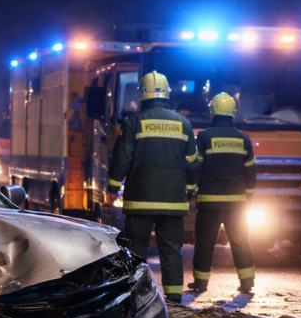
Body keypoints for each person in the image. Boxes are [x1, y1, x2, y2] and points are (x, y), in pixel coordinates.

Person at [108, 71, 199, 304]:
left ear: (141, 95)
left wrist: (113, 187)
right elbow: (193, 163)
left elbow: (122, 157)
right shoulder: (184, 123)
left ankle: (138, 296)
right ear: (167, 94)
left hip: (140, 201)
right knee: (171, 250)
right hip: (173, 202)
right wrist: (188, 190)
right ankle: (174, 298)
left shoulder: (133, 122)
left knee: (136, 250)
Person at [187, 93, 257, 294]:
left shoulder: (204, 137)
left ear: (214, 112)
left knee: (205, 242)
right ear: (232, 113)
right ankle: (247, 282)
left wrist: (190, 190)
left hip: (210, 203)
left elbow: (196, 167)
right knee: (241, 241)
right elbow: (251, 171)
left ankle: (200, 283)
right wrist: (249, 197)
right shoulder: (244, 139)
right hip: (237, 204)